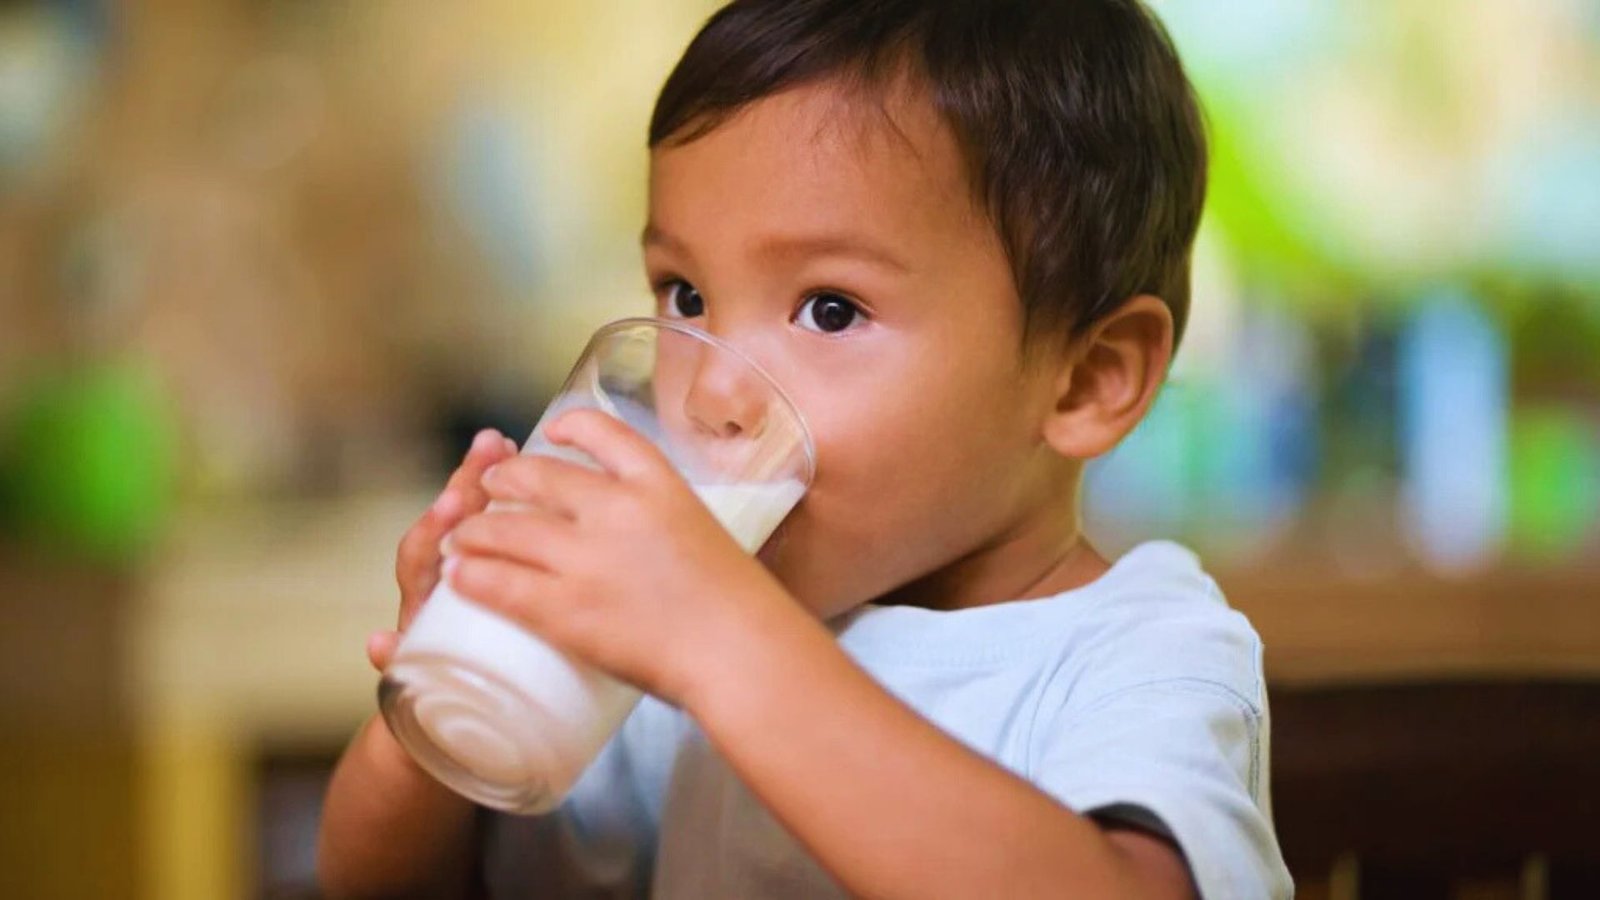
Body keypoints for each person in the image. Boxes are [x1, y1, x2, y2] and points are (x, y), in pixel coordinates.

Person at [318, 0, 1293, 897]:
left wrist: (719, 640)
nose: (711, 388)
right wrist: (439, 697)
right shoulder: (672, 638)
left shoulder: (1137, 654)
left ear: (1086, 379)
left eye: (830, 309)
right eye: (683, 295)